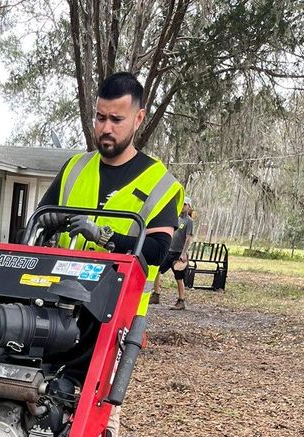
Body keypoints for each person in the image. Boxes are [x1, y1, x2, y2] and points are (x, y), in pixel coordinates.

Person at [32, 71, 184, 317]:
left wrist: (102, 237)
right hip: (57, 305)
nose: (105, 128)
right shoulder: (75, 168)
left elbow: (157, 251)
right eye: (100, 118)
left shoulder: (160, 183)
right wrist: (49, 222)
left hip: (117, 313)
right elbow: (35, 225)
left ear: (138, 119)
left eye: (116, 119)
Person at [151, 201, 194, 309]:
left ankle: (181, 301)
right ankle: (156, 295)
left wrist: (183, 254)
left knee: (179, 278)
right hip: (168, 252)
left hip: (179, 254)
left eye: (185, 204)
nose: (183, 206)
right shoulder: (175, 218)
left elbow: (188, 238)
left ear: (189, 206)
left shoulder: (189, 221)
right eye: (182, 204)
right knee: (157, 270)